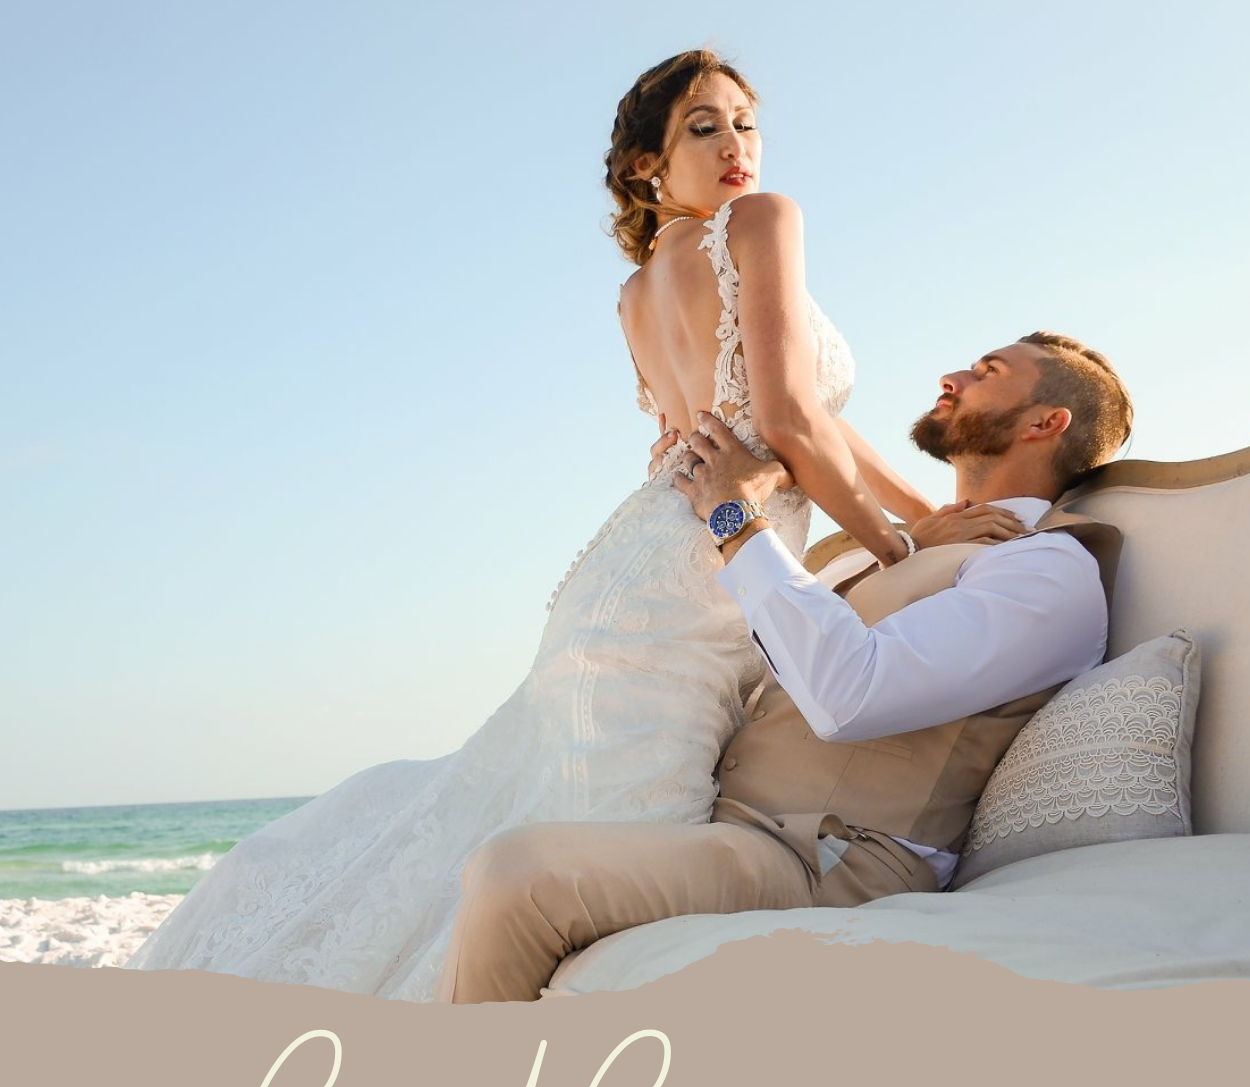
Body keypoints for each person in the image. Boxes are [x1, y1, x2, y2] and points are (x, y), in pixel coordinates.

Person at [125, 51, 1009, 997]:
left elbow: (786, 426)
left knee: (590, 840)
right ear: (645, 166)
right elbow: (789, 424)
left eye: (746, 122)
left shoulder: (634, 298)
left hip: (635, 577)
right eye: (702, 127)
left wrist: (933, 512)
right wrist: (904, 547)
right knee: (626, 857)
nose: (737, 146)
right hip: (691, 586)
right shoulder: (763, 221)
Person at [434, 331, 1134, 1003]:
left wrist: (734, 517)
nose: (952, 378)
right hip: (729, 826)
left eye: (988, 372)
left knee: (516, 874)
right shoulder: (905, 550)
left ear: (1048, 421)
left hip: (826, 860)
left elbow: (849, 694)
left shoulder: (1048, 569)